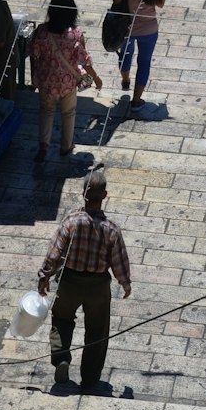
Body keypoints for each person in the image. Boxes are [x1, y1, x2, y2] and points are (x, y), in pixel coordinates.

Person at [37, 164, 131, 390]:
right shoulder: (111, 230)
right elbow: (119, 261)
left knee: (61, 320)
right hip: (98, 287)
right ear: (105, 196)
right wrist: (125, 282)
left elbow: (54, 252)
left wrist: (44, 277)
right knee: (97, 332)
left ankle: (61, 359)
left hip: (69, 282)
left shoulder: (71, 222)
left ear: (83, 195)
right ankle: (89, 379)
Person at [30, 0, 102, 163]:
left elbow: (34, 54)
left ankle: (43, 146)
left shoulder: (41, 32)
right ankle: (66, 146)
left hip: (47, 80)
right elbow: (85, 61)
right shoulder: (76, 35)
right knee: (68, 113)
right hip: (68, 82)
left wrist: (35, 76)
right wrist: (96, 78)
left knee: (46, 111)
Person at [112, 0, 172, 111]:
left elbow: (116, 0)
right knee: (144, 62)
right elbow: (160, 4)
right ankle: (136, 101)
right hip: (149, 29)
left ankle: (125, 80)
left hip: (127, 28)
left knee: (125, 55)